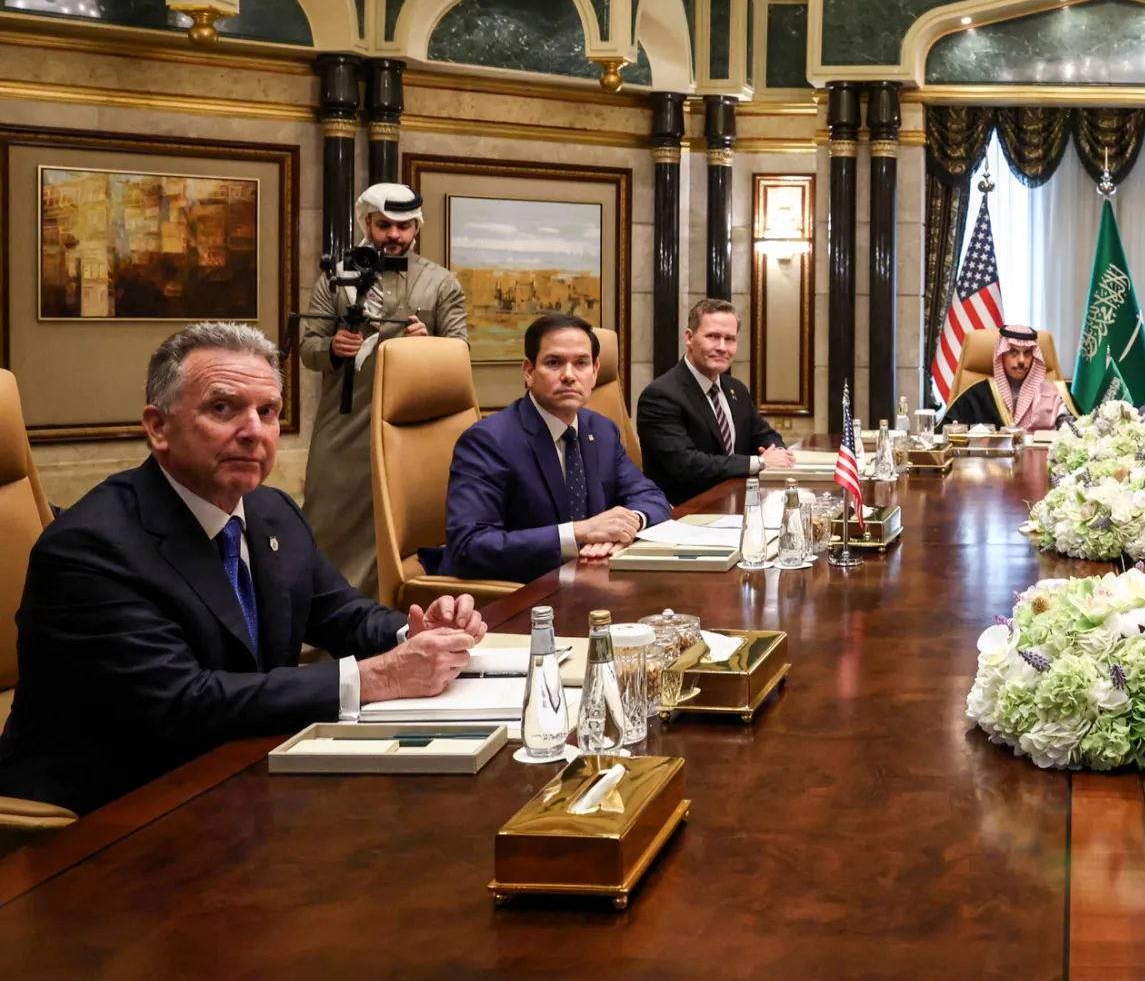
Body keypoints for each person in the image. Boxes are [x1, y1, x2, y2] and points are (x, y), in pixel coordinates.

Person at [0, 323, 483, 816]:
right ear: (158, 426)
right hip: (108, 814)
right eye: (222, 408)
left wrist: (415, 630)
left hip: (236, 777)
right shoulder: (92, 547)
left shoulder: (271, 511)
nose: (254, 431)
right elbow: (183, 703)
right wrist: (376, 677)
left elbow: (344, 616)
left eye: (268, 411)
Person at [299, 184, 467, 597]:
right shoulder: (335, 279)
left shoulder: (441, 283)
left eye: (403, 226)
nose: (394, 234)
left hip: (415, 430)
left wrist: (429, 344)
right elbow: (307, 347)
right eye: (384, 225)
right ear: (367, 224)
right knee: (330, 522)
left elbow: (460, 353)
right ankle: (326, 633)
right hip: (345, 424)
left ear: (416, 229)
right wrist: (333, 348)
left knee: (405, 525)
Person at [431, 314, 671, 584]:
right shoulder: (488, 441)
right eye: (554, 363)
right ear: (529, 371)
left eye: (581, 363)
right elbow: (469, 547)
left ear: (595, 371)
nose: (569, 375)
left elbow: (651, 497)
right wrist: (578, 533)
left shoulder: (602, 430)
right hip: (518, 593)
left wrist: (629, 524)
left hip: (589, 580)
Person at [636, 298, 794, 506]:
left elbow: (764, 435)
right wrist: (761, 462)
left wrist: (778, 453)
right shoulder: (660, 396)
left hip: (739, 504)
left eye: (729, 339)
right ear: (689, 337)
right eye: (713, 336)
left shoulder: (735, 389)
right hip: (687, 513)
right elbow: (688, 465)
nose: (722, 347)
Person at [941, 325, 1076, 429]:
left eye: (1027, 353)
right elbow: (944, 431)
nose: (1021, 360)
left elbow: (1072, 432)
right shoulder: (977, 394)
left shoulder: (1050, 393)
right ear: (1002, 355)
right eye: (1014, 352)